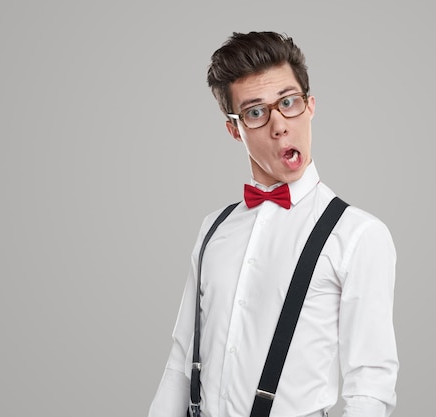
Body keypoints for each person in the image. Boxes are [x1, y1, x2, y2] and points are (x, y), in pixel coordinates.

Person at [149, 31, 398, 417]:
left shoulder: (358, 235)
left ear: (310, 106)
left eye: (288, 103)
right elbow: (180, 362)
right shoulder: (213, 228)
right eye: (255, 112)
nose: (279, 125)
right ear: (235, 129)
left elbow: (370, 388)